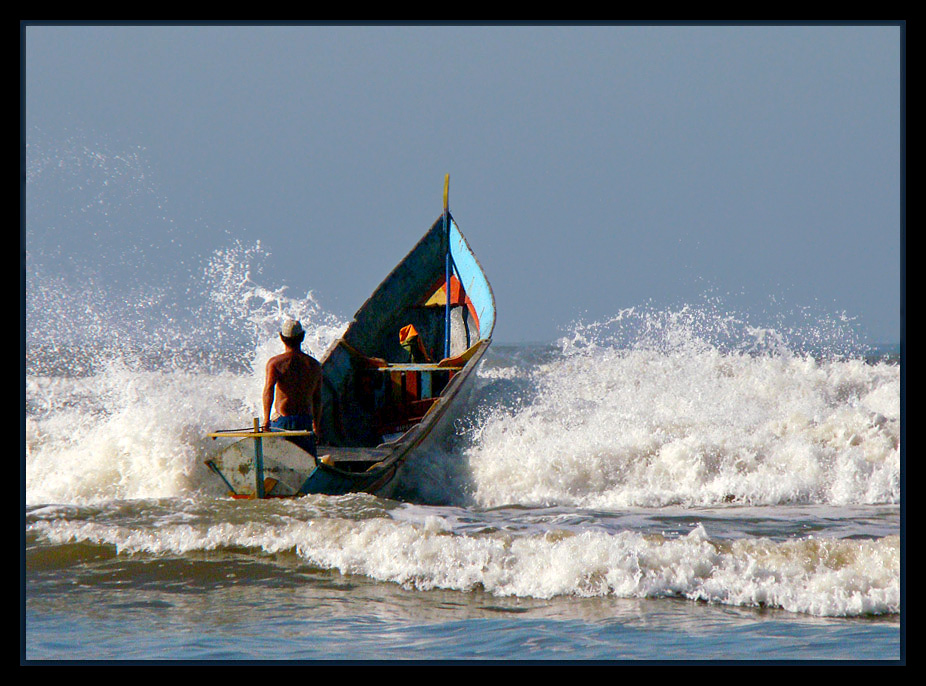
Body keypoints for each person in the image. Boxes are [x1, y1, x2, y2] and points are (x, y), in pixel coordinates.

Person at [262, 319, 322, 456]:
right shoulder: (314, 365)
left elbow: (268, 391)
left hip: (284, 421)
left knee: (281, 460)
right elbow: (317, 398)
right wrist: (316, 426)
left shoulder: (276, 363)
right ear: (302, 337)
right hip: (305, 421)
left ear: (282, 338)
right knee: (307, 461)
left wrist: (266, 419)